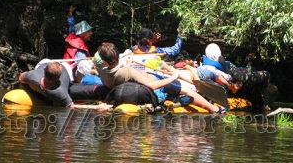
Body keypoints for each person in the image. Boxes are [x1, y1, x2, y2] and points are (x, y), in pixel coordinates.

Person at [97, 42, 226, 114]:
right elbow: (152, 85)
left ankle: (182, 96)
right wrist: (173, 76)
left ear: (104, 62)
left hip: (136, 87)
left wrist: (128, 61)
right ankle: (214, 109)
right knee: (187, 90)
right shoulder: (128, 71)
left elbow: (120, 73)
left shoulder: (104, 74)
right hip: (155, 83)